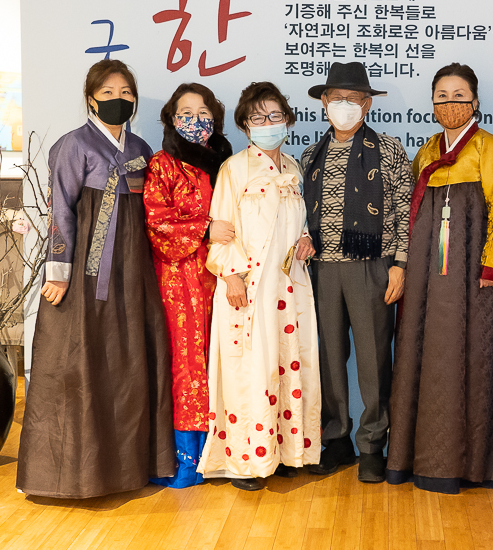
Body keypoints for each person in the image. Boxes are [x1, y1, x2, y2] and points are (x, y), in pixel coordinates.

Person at [17, 59, 175, 498]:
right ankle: (71, 475)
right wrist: (59, 272)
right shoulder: (73, 145)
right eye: (107, 92)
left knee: (130, 362)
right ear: (90, 99)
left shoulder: (141, 147)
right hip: (88, 272)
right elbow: (61, 212)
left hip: (134, 268)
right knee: (80, 362)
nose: (117, 99)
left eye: (125, 93)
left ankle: (130, 470)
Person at [386, 63, 493, 494]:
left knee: (473, 353)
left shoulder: (490, 148)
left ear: (475, 101)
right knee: (424, 353)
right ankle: (420, 459)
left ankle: (472, 464)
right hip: (427, 274)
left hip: (472, 276)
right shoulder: (427, 151)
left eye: (459, 95)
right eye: (442, 96)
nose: (450, 103)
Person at [196, 81, 321, 491]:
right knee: (247, 370)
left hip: (289, 287)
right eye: (257, 118)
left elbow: (299, 224)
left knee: (287, 364)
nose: (268, 124)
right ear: (245, 125)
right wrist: (231, 275)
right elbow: (221, 229)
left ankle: (284, 453)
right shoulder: (234, 169)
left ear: (287, 120)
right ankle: (246, 462)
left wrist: (305, 241)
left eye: (275, 116)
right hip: (247, 288)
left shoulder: (294, 170)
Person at [300, 62, 413, 483]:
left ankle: (371, 445)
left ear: (367, 105)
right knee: (328, 359)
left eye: (353, 99)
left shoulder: (389, 150)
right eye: (337, 99)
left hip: (372, 269)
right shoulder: (310, 156)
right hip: (322, 271)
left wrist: (400, 264)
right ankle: (336, 440)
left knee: (373, 360)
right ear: (324, 103)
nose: (344, 106)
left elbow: (405, 211)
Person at [143, 83, 235, 488]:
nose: (196, 120)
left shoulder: (228, 163)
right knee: (187, 364)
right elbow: (156, 220)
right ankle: (187, 458)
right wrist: (204, 228)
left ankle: (228, 452)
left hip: (228, 275)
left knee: (227, 359)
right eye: (186, 113)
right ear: (171, 118)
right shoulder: (162, 164)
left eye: (204, 112)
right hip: (179, 278)